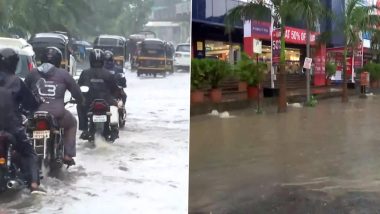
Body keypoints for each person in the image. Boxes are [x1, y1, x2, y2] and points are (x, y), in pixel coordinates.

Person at [25, 47, 83, 167]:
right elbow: (77, 93)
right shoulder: (64, 74)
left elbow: (23, 92)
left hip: (34, 115)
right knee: (72, 123)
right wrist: (81, 101)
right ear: (58, 60)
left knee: (24, 130)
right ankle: (68, 154)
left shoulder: (32, 73)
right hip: (57, 115)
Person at [0, 48, 45, 194]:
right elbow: (31, 104)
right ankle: (34, 184)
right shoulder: (17, 82)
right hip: (12, 127)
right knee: (29, 153)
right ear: (15, 64)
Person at [77, 49, 120, 141]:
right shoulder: (108, 74)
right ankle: (114, 128)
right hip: (107, 101)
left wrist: (78, 97)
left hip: (89, 102)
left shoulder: (85, 73)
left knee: (79, 106)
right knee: (115, 106)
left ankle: (84, 128)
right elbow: (115, 89)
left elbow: (79, 87)